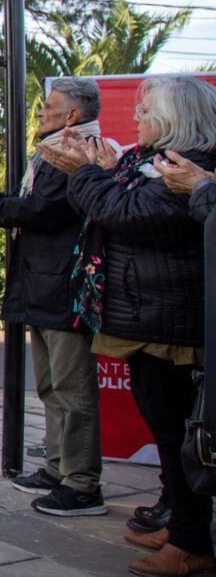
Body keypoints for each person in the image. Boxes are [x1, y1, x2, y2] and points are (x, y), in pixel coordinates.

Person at [40, 75, 216, 577]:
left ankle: (190, 545)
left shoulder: (186, 170)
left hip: (170, 324)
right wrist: (99, 168)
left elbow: (123, 213)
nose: (136, 117)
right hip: (150, 317)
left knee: (178, 434)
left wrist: (86, 175)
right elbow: (114, 197)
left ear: (175, 119)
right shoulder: (151, 164)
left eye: (146, 109)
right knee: (168, 433)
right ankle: (183, 524)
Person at [0, 78, 108, 516]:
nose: (40, 114)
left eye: (49, 107)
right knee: (51, 386)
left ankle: (82, 483)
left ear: (72, 116)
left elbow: (44, 210)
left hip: (65, 287)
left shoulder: (81, 153)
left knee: (73, 390)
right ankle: (57, 467)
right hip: (41, 283)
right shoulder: (53, 150)